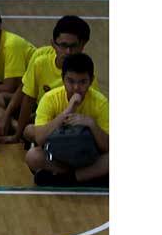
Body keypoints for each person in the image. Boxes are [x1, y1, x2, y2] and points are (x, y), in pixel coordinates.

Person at [0, 15, 94, 144]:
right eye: (63, 46)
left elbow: (88, 108)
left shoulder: (84, 70)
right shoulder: (40, 60)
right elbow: (27, 97)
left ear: (82, 45)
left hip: (65, 122)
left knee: (31, 133)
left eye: (73, 46)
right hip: (41, 114)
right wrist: (15, 132)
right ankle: (16, 126)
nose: (68, 52)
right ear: (53, 43)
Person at [25, 53, 108, 186]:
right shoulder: (50, 99)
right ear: (63, 79)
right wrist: (67, 111)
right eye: (71, 81)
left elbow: (108, 147)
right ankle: (86, 177)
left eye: (82, 82)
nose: (76, 87)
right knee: (32, 156)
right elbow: (39, 139)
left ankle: (65, 179)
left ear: (91, 80)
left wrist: (92, 124)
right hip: (59, 157)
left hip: (89, 157)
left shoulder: (101, 102)